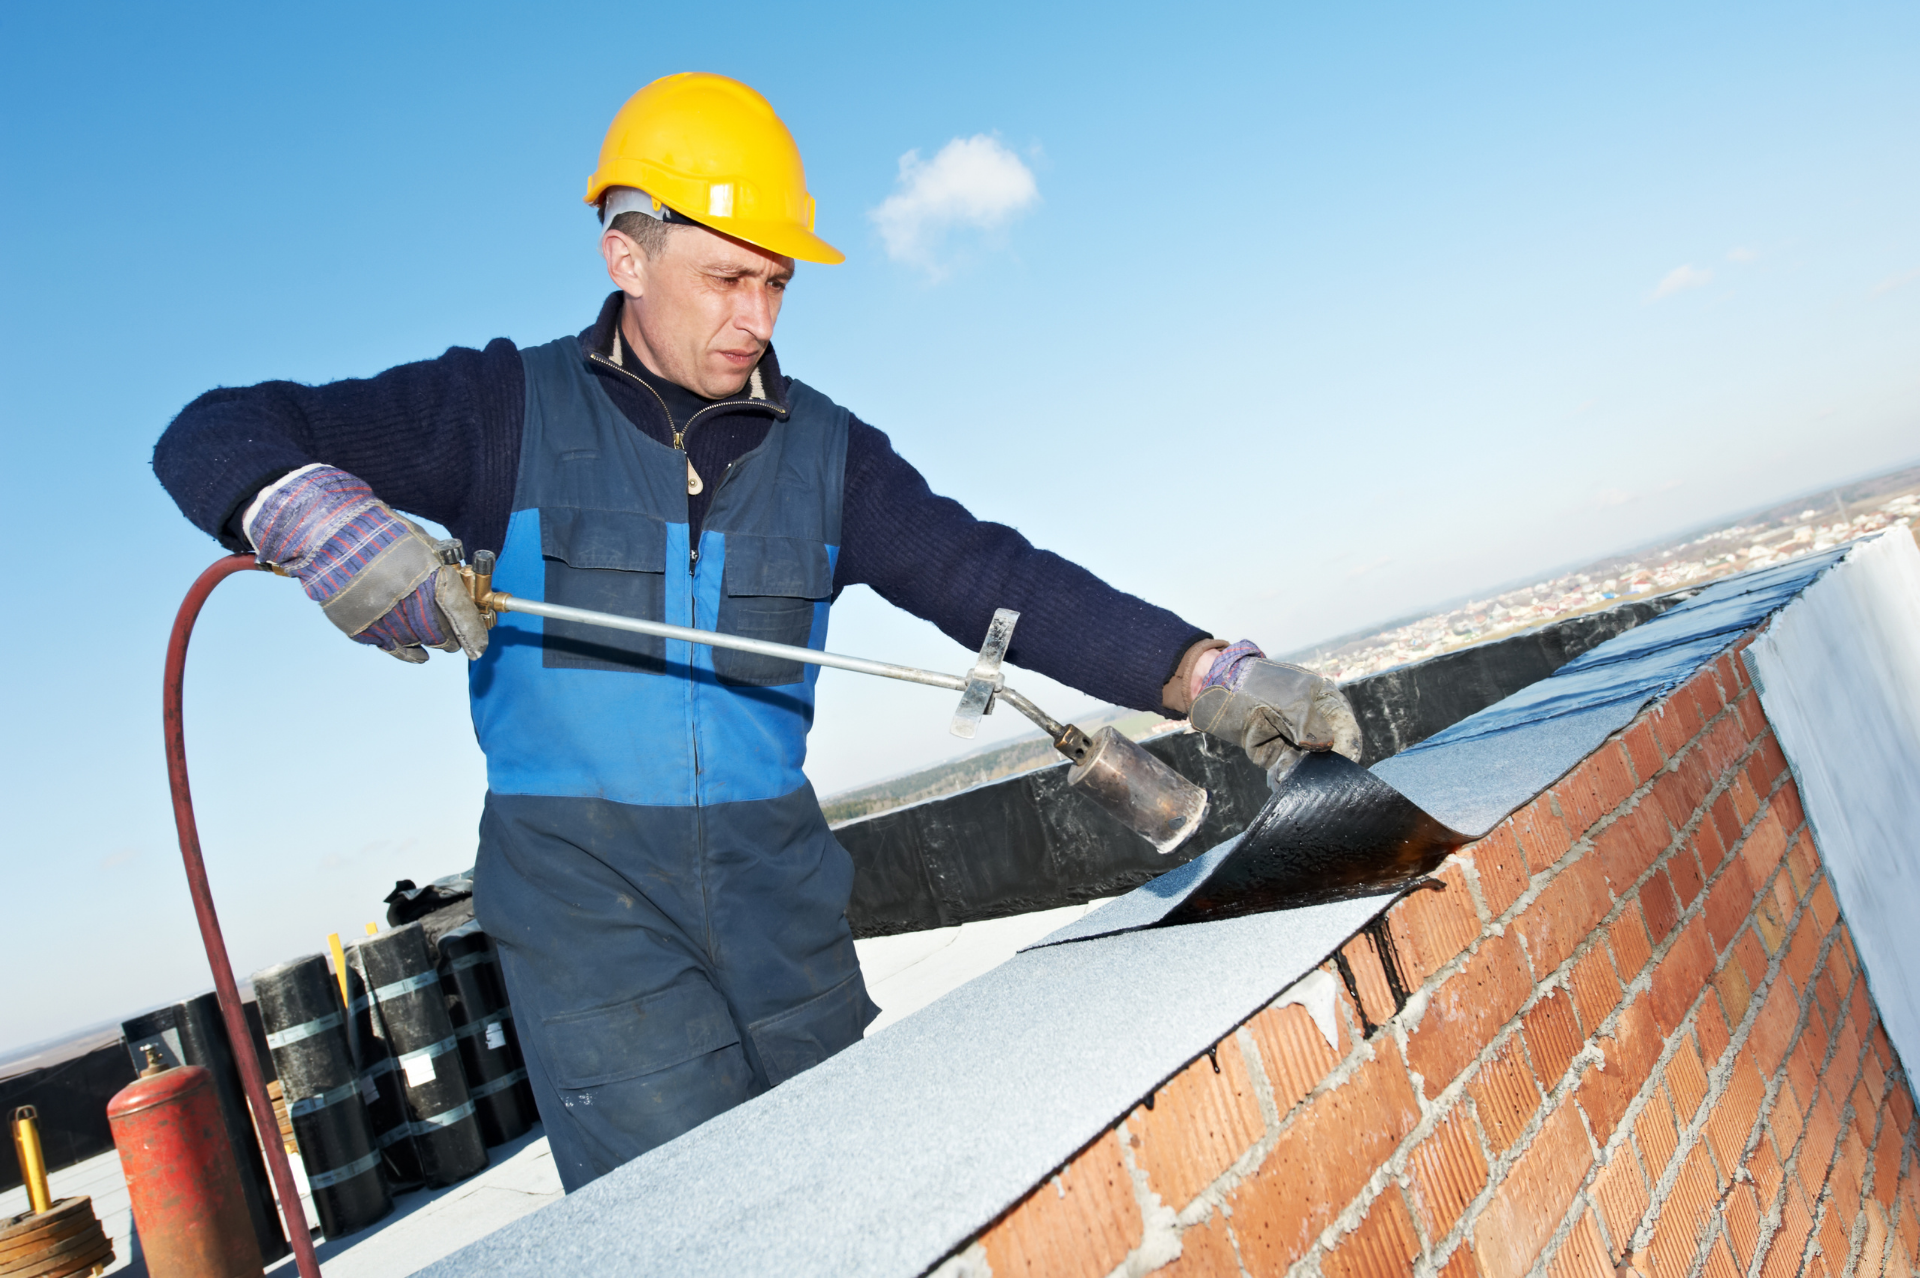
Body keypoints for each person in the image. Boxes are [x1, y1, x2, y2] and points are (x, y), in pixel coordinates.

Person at [152, 72, 1361, 1191]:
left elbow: (992, 575)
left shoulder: (827, 453)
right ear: (626, 253)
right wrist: (314, 518)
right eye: (726, 278)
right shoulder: (500, 411)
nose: (757, 313)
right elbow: (213, 428)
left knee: (858, 1196)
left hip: (779, 888)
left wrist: (1205, 672)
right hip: (585, 902)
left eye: (776, 281)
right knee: (698, 1220)